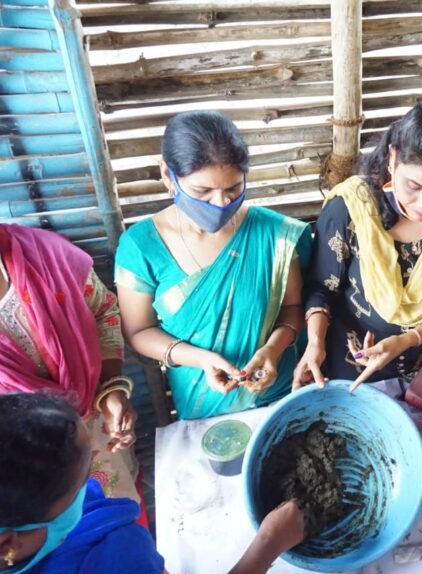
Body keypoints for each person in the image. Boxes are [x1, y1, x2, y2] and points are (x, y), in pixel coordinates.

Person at [116, 111, 311, 420]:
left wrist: (273, 350)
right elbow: (139, 330)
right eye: (202, 192)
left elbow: (292, 308)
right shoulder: (141, 246)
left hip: (279, 392)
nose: (221, 204)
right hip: (200, 402)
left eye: (233, 189)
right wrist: (200, 359)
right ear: (168, 175)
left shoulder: (275, 235)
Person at [293, 98, 422, 391]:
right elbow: (322, 287)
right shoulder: (351, 209)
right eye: (414, 186)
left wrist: (408, 339)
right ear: (392, 158)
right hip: (347, 364)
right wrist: (314, 343)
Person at [0, 392, 305, 574]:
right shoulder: (121, 560)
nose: (95, 486)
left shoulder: (37, 523)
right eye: (80, 482)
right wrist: (267, 546)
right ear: (8, 544)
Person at [0, 224, 138, 501]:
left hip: (101, 433)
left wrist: (112, 389)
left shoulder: (45, 254)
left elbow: (104, 311)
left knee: (125, 518)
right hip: (25, 471)